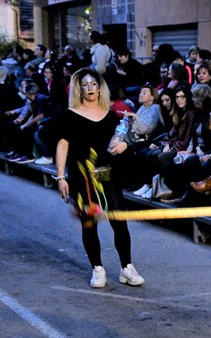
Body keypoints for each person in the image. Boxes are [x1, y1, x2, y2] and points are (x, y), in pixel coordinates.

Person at [54, 68, 144, 288]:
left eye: (93, 84)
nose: (90, 89)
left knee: (119, 222)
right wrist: (60, 176)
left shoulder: (111, 115)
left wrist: (125, 144)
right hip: (81, 175)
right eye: (84, 85)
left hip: (107, 173)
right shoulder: (69, 115)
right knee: (89, 224)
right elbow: (62, 145)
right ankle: (98, 269)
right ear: (79, 89)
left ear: (99, 86)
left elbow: (124, 139)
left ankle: (127, 268)